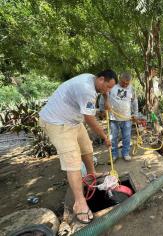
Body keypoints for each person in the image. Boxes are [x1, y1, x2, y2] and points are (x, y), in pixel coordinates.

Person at [38, 70, 117, 224]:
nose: (108, 90)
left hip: (73, 120)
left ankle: (92, 174)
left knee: (86, 147)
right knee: (73, 160)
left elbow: (102, 94)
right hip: (57, 122)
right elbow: (89, 119)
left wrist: (106, 96)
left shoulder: (93, 81)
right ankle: (79, 202)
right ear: (101, 79)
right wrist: (105, 137)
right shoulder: (86, 90)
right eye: (108, 87)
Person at [104, 72, 138, 161]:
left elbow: (134, 102)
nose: (125, 85)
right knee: (113, 137)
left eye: (127, 83)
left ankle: (125, 153)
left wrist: (135, 114)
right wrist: (102, 109)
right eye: (123, 82)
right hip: (113, 117)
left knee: (126, 137)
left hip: (127, 118)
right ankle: (114, 155)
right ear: (119, 79)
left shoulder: (132, 89)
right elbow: (104, 97)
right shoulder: (112, 87)